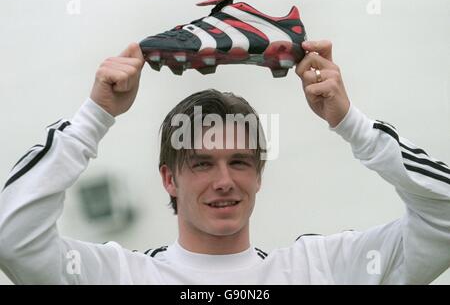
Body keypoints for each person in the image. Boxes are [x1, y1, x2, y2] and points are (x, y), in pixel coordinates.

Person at [0, 40, 448, 284]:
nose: (224, 181)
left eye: (239, 161)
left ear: (259, 174)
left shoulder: (325, 268)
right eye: (200, 163)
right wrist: (94, 118)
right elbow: (11, 236)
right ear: (168, 179)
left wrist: (351, 124)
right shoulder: (117, 275)